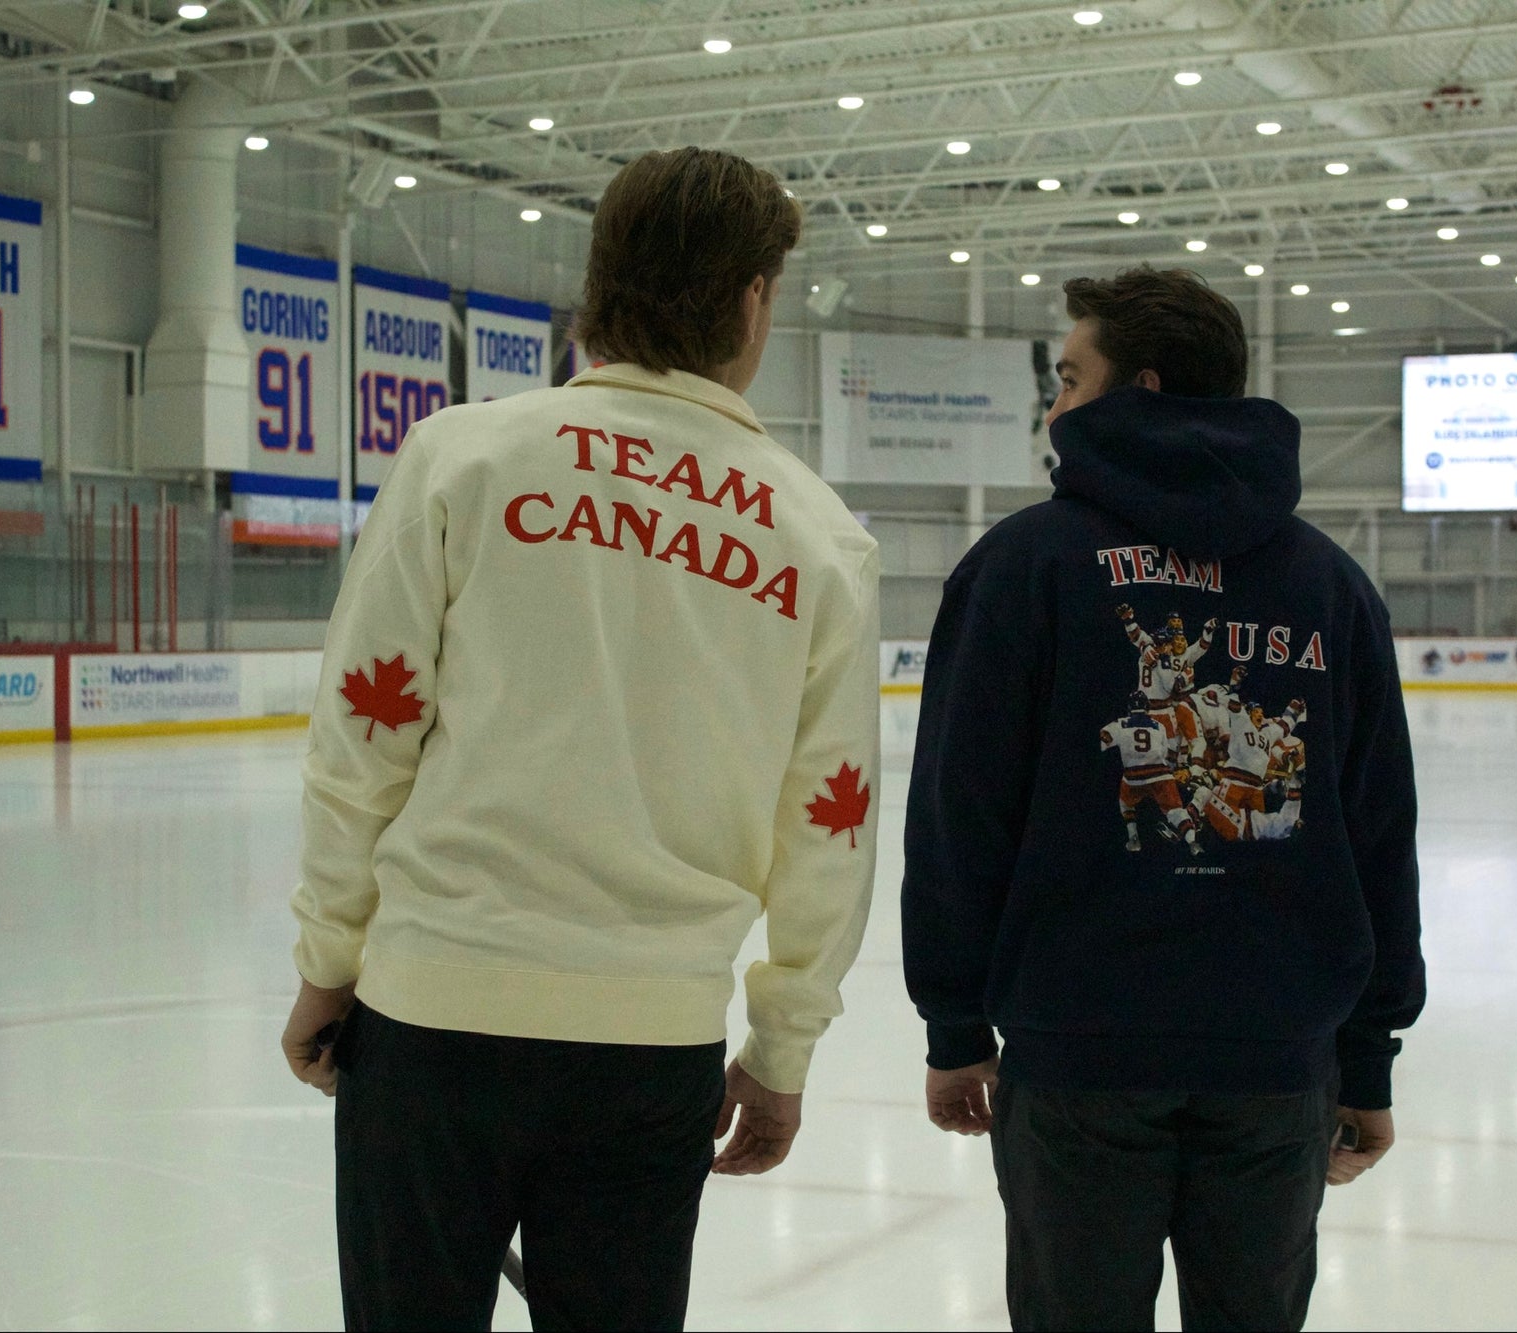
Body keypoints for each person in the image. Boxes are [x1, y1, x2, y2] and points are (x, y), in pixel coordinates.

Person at [279, 147, 882, 1332]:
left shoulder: (465, 455)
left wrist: (326, 960)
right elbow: (832, 822)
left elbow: (368, 729)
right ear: (753, 299)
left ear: (599, 282)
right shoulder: (818, 538)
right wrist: (782, 1044)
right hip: (646, 1050)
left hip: (432, 1024)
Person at [902, 266, 1423, 1332]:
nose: (1053, 406)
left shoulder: (1022, 568)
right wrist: (1364, 1055)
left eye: (1067, 376)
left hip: (1080, 1061)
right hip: (1276, 1066)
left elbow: (959, 820)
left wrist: (955, 1023)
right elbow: (1379, 838)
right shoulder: (1327, 586)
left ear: (1135, 389)